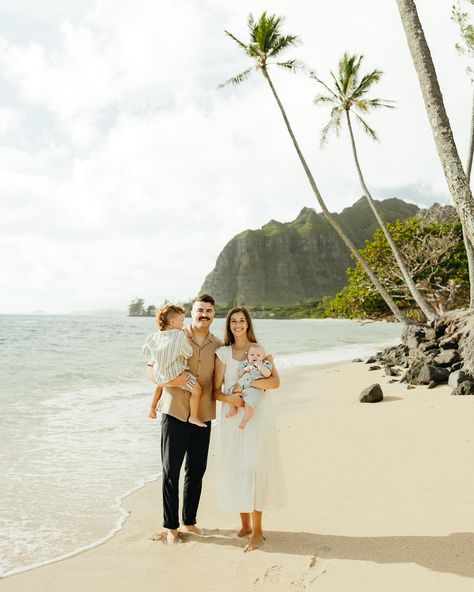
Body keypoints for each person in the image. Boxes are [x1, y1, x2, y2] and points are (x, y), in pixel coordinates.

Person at [213, 307, 287, 552]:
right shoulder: (223, 353)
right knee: (237, 468)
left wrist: (250, 382)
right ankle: (244, 525)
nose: (237, 325)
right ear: (229, 325)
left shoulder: (260, 349)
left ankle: (258, 532)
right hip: (234, 419)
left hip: (258, 416)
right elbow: (216, 391)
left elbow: (275, 382)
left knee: (255, 467)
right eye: (233, 321)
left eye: (242, 321)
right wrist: (230, 400)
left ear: (248, 324)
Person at [158, 294, 222, 545]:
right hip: (174, 410)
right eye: (200, 310)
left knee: (196, 470)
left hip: (203, 414)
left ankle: (190, 522)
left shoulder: (219, 345)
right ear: (192, 312)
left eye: (209, 310)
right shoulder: (174, 336)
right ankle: (171, 527)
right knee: (170, 471)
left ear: (214, 314)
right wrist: (172, 382)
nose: (204, 314)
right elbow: (151, 369)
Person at [144, 303, 206, 428]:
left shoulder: (154, 336)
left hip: (160, 373)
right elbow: (188, 353)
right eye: (182, 321)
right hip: (177, 374)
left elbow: (145, 351)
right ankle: (193, 416)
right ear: (172, 322)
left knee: (160, 386)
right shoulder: (179, 336)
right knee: (197, 390)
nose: (183, 324)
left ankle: (152, 409)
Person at [224, 343, 272, 430]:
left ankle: (245, 420)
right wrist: (245, 369)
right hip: (242, 384)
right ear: (248, 356)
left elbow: (267, 374)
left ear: (263, 357)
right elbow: (239, 374)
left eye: (258, 355)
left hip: (254, 388)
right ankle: (233, 409)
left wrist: (260, 366)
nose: (255, 357)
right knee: (230, 391)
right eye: (252, 355)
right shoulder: (245, 364)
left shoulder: (265, 364)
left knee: (249, 404)